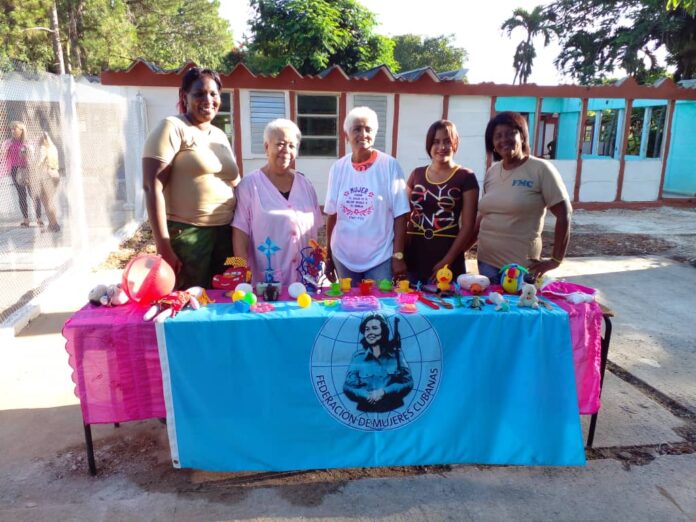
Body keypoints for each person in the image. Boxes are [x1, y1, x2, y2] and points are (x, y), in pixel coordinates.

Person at [142, 67, 240, 289]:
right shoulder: (172, 127)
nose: (208, 99)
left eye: (214, 94)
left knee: (226, 294)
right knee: (189, 297)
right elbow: (151, 187)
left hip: (227, 235)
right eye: (199, 93)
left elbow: (235, 182)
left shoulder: (219, 135)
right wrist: (164, 247)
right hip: (188, 236)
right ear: (184, 96)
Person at [476, 111, 572, 283]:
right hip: (486, 265)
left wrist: (555, 260)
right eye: (498, 136)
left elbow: (565, 214)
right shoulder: (492, 172)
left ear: (522, 136)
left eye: (510, 133)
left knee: (517, 310)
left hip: (521, 269)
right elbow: (483, 216)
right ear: (492, 143)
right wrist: (457, 251)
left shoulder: (540, 169)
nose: (504, 139)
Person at [232, 119, 323, 287]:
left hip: (305, 281)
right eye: (280, 144)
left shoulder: (306, 184)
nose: (286, 151)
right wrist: (240, 272)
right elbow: (239, 234)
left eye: (292, 146)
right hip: (266, 282)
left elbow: (314, 233)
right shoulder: (249, 185)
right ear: (266, 147)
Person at [324, 107, 410, 283]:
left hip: (380, 258)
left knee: (379, 309)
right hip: (343, 257)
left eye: (368, 129)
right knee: (349, 308)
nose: (363, 134)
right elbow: (332, 215)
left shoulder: (389, 165)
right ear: (346, 135)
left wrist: (398, 256)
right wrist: (328, 257)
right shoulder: (338, 168)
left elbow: (401, 215)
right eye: (356, 129)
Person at [405, 120, 479, 285]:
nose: (442, 147)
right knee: (409, 307)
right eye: (436, 142)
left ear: (455, 143)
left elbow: (468, 226)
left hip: (447, 255)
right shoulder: (416, 174)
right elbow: (404, 216)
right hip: (413, 253)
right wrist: (399, 255)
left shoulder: (466, 177)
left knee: (446, 306)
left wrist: (448, 260)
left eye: (447, 141)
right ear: (429, 145)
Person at [343, 314, 413, 413]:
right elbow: (348, 387)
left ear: (383, 332)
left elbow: (408, 383)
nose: (370, 332)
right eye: (367, 329)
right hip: (365, 410)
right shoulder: (358, 358)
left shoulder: (397, 355)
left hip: (394, 409)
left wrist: (384, 391)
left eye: (374, 328)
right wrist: (365, 394)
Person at [1, 121, 42, 227]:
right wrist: (4, 151)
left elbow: (36, 156)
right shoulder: (8, 143)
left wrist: (27, 155)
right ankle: (26, 219)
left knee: (34, 194)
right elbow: (4, 157)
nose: (13, 131)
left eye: (15, 128)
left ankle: (39, 218)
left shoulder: (28, 142)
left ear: (21, 130)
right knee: (21, 195)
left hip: (29, 169)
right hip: (15, 170)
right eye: (12, 129)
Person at [34, 132, 61, 232]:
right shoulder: (53, 148)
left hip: (45, 175)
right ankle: (52, 223)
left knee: (46, 202)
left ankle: (54, 224)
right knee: (51, 201)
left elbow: (38, 162)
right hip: (55, 174)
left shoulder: (42, 148)